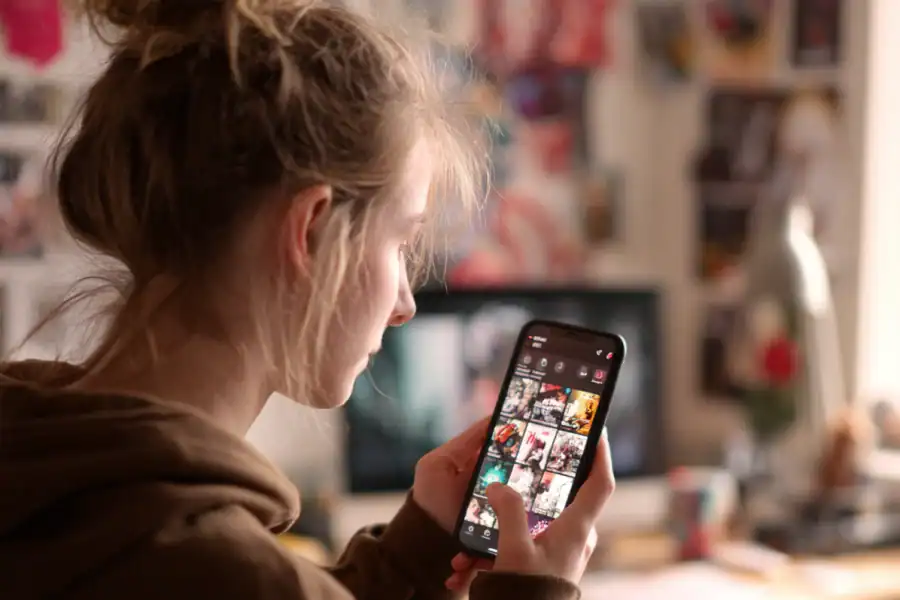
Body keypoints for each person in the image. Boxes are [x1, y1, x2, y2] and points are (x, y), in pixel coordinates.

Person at [0, 1, 615, 599]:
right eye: (401, 241)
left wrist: (415, 552)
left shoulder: (51, 468)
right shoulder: (222, 570)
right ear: (310, 230)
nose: (406, 303)